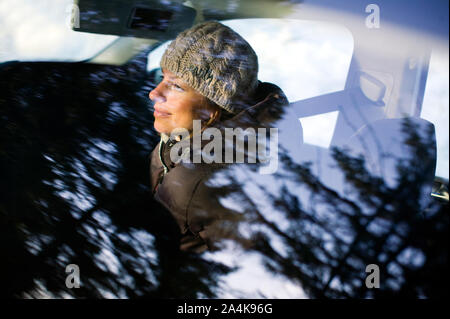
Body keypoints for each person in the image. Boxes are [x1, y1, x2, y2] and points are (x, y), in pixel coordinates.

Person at [148, 21, 288, 253]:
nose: (154, 93)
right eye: (162, 78)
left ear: (215, 107)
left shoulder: (194, 184)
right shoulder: (192, 134)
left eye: (176, 86)